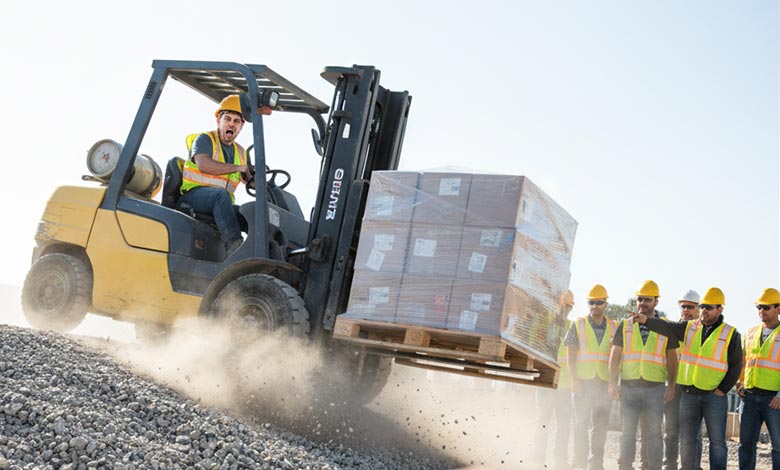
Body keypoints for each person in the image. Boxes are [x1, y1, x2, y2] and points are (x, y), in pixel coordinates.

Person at [631, 287, 743, 470]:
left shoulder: (730, 333)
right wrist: (646, 320)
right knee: (688, 439)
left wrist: (722, 389)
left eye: (709, 307)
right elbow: (667, 327)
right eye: (703, 306)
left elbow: (736, 365)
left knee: (717, 442)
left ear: (720, 309)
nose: (704, 310)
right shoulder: (690, 327)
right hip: (689, 394)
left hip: (714, 396)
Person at [179, 94, 271, 255]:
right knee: (220, 196)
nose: (231, 124)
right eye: (227, 119)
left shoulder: (241, 152)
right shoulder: (205, 140)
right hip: (193, 196)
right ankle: (235, 248)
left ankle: (263, 251)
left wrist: (258, 179)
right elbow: (204, 165)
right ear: (218, 121)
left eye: (237, 121)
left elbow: (248, 180)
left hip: (221, 203)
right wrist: (238, 168)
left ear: (241, 126)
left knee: (250, 212)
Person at [609, 280, 678, 470]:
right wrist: (612, 382)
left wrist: (671, 385)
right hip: (629, 386)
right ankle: (624, 466)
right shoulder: (625, 325)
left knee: (653, 433)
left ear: (656, 302)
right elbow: (615, 355)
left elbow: (672, 359)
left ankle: (652, 467)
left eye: (647, 300)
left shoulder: (665, 326)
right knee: (627, 432)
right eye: (640, 299)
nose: (642, 304)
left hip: (654, 388)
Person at [566, 284, 616, 470]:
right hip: (583, 383)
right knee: (581, 424)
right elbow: (570, 356)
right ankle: (579, 462)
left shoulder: (614, 326)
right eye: (591, 303)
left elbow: (616, 358)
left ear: (605, 304)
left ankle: (596, 464)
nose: (595, 306)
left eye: (599, 302)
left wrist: (613, 383)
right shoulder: (577, 324)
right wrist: (574, 380)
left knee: (600, 427)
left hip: (604, 383)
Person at [736, 287, 780, 470]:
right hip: (750, 398)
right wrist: (739, 382)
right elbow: (742, 360)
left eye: (766, 307)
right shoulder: (750, 332)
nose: (761, 311)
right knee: (745, 445)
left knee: (778, 447)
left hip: (774, 400)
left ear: (778, 308)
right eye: (759, 307)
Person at [534, 290, 576, 470]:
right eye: (563, 306)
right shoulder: (543, 324)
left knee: (563, 425)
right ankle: (538, 459)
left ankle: (560, 461)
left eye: (567, 307)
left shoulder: (571, 326)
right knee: (543, 420)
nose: (564, 310)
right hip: (545, 381)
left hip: (564, 385)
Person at [663, 290, 703, 470]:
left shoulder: (703, 331)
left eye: (690, 307)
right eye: (683, 306)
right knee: (671, 430)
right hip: (674, 386)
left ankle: (692, 466)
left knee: (692, 434)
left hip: (694, 389)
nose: (686, 310)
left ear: (698, 309)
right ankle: (669, 465)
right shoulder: (673, 329)